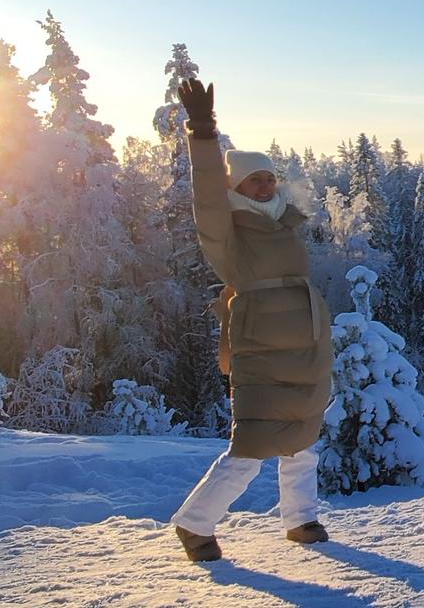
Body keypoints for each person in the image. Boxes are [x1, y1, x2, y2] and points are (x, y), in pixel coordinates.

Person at [169, 78, 335, 562]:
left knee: (303, 437)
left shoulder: (284, 219)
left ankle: (300, 518)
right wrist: (202, 131)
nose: (264, 185)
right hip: (260, 345)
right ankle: (194, 523)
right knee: (253, 442)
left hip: (306, 344)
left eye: (268, 177)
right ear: (235, 186)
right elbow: (205, 195)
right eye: (252, 179)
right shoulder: (228, 229)